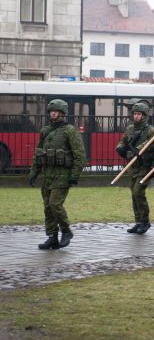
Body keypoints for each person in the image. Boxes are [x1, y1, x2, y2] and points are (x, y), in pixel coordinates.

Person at [29, 99, 86, 250]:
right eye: (51, 111)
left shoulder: (69, 131)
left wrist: (75, 175)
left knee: (55, 204)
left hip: (63, 175)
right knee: (48, 207)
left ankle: (66, 231)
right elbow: (38, 153)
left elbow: (80, 155)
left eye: (56, 111)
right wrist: (33, 172)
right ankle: (52, 236)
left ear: (62, 113)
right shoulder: (45, 131)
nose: (53, 113)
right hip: (48, 175)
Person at [116, 102, 154, 234]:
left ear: (144, 116)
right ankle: (138, 221)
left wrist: (139, 150)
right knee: (133, 194)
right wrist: (120, 148)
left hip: (144, 166)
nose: (136, 116)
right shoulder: (130, 128)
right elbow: (124, 140)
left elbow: (151, 143)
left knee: (138, 192)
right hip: (132, 167)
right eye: (135, 114)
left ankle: (145, 221)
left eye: (139, 114)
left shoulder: (150, 130)